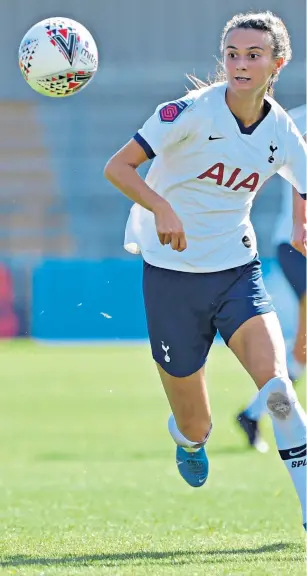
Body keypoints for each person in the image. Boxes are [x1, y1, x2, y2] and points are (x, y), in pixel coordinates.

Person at [104, 11, 307, 529]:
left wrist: (303, 228)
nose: (241, 64)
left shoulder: (282, 131)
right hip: (170, 277)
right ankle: (188, 438)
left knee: (279, 391)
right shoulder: (188, 112)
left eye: (254, 55)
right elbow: (118, 167)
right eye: (233, 54)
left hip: (237, 272)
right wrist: (161, 207)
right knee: (197, 423)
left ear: (276, 64)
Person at [237, 104, 306, 452]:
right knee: (302, 349)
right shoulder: (294, 120)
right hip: (299, 244)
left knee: (302, 355)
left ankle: (254, 412)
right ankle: (265, 414)